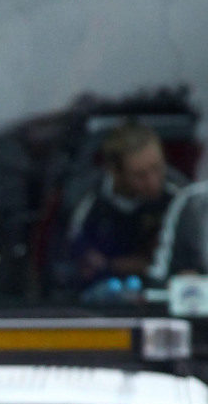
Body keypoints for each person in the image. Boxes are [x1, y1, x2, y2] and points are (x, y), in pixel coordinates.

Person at [64, 123, 181, 288]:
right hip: (103, 304)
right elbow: (74, 264)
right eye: (140, 175)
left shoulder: (180, 197)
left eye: (157, 168)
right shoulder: (85, 202)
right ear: (115, 172)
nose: (153, 181)